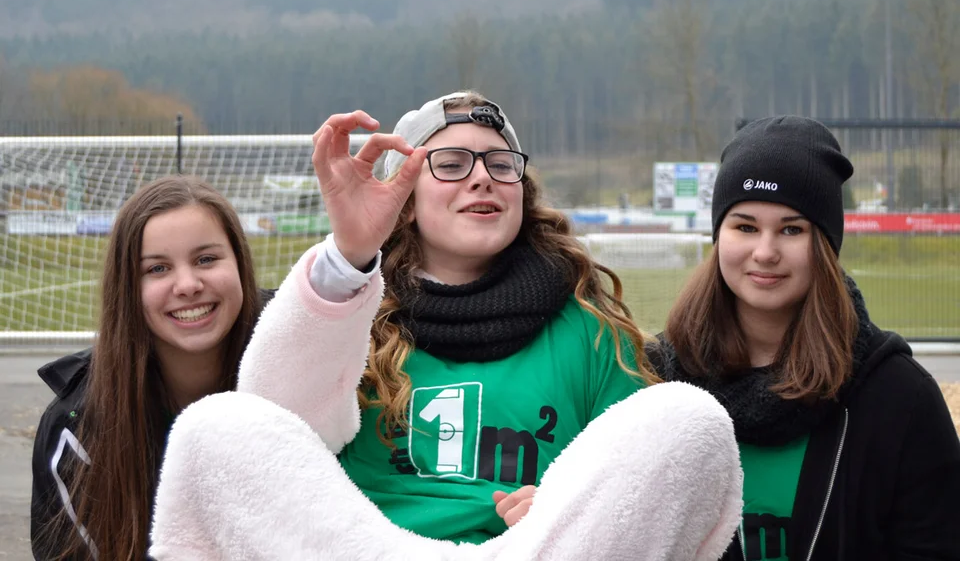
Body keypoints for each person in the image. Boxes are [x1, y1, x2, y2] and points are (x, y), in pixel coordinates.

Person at [149, 91, 744, 560]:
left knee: (689, 419)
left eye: (500, 163)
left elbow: (638, 481)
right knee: (214, 427)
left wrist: (565, 506)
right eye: (452, 164)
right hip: (366, 548)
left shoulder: (590, 330)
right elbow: (274, 431)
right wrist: (349, 255)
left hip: (528, 552)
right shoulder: (349, 310)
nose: (481, 177)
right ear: (405, 196)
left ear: (522, 189)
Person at [650, 116, 960, 561]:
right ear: (719, 234)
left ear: (826, 246)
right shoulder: (656, 380)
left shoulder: (900, 397)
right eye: (745, 226)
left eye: (792, 229)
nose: (765, 251)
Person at [30, 176, 273, 560]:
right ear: (127, 289)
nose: (188, 285)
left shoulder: (299, 355)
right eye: (157, 269)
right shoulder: (77, 429)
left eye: (206, 259)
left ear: (240, 263)